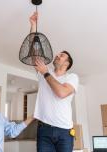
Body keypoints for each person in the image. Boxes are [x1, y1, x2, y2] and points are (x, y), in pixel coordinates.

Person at [30, 12, 79, 152]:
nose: (57, 55)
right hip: (44, 130)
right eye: (58, 54)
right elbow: (34, 52)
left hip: (65, 132)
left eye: (61, 55)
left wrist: (45, 72)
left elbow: (61, 93)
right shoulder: (45, 72)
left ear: (67, 63)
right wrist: (33, 26)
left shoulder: (72, 77)